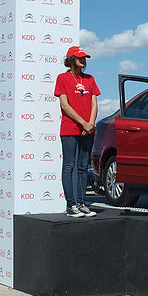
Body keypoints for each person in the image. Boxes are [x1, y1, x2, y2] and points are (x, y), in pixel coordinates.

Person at [54, 46, 100, 217]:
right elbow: (64, 105)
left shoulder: (90, 79)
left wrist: (90, 124)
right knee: (69, 166)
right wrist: (83, 123)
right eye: (80, 57)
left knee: (82, 167)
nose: (83, 60)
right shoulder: (62, 78)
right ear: (71, 60)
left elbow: (94, 103)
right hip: (70, 128)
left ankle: (82, 203)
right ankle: (71, 205)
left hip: (88, 130)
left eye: (84, 57)